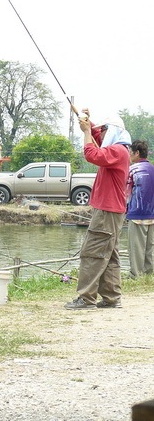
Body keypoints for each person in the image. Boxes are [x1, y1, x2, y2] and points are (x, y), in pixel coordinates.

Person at [65, 111, 131, 310]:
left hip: (107, 211)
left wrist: (86, 132)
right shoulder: (118, 150)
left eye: (103, 130)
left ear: (111, 131)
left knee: (92, 253)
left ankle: (86, 298)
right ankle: (111, 298)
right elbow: (95, 138)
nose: (100, 134)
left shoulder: (117, 151)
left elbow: (91, 154)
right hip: (113, 210)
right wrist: (88, 124)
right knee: (109, 255)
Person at [126, 140, 154, 278]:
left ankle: (135, 274)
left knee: (136, 247)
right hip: (152, 214)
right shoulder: (153, 168)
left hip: (137, 213)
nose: (129, 155)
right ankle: (149, 273)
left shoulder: (132, 170)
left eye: (130, 153)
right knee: (149, 247)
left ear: (137, 153)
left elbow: (126, 193)